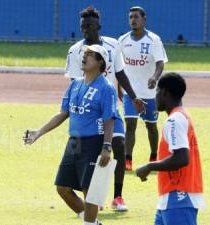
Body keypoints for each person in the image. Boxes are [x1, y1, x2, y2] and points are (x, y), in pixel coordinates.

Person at [25, 45, 117, 225]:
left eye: (91, 55)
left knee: (89, 190)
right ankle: (93, 223)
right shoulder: (75, 84)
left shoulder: (106, 88)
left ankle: (89, 223)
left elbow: (109, 120)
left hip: (94, 142)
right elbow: (63, 113)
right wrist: (38, 132)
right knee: (62, 188)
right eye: (85, 53)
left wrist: (107, 147)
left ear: (100, 63)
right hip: (74, 142)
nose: (85, 57)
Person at [65, 6, 145, 211]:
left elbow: (120, 73)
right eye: (82, 27)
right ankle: (94, 198)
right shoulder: (75, 51)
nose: (85, 31)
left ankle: (118, 197)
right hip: (88, 112)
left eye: (89, 26)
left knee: (117, 145)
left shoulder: (113, 45)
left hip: (109, 107)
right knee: (92, 153)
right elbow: (76, 82)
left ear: (98, 26)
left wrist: (134, 97)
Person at [136, 73, 205, 225]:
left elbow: (181, 158)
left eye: (157, 91)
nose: (155, 96)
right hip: (171, 198)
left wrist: (149, 166)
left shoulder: (174, 120)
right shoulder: (180, 116)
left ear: (164, 92)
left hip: (179, 196)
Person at [118, 6, 168, 170]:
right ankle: (127, 160)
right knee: (130, 124)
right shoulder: (123, 40)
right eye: (131, 17)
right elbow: (119, 67)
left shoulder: (154, 40)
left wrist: (154, 77)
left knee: (151, 126)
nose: (133, 20)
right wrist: (119, 87)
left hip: (150, 93)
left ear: (144, 19)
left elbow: (160, 63)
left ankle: (154, 156)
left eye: (136, 17)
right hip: (130, 93)